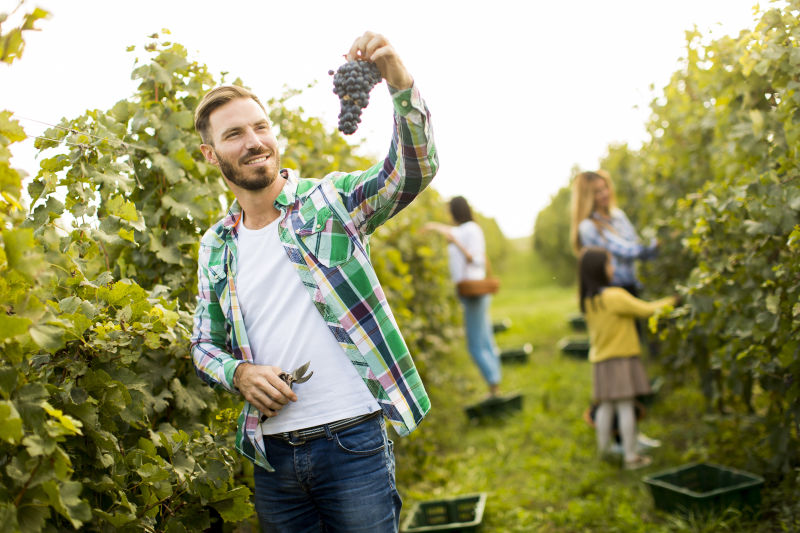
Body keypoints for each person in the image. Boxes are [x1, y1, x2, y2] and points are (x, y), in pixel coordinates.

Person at [189, 32, 438, 532]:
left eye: (260, 127)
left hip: (354, 442)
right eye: (234, 134)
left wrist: (400, 84)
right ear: (210, 155)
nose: (254, 141)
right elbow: (203, 344)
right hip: (272, 455)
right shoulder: (216, 245)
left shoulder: (330, 202)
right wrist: (239, 374)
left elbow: (411, 171)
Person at [578, 246, 677, 470]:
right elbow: (646, 310)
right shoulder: (614, 297)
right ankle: (631, 457)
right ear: (599, 270)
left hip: (601, 361)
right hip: (621, 359)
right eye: (609, 264)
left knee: (605, 407)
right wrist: (672, 300)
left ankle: (605, 451)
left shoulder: (588, 300)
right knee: (625, 407)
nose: (612, 268)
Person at [423, 196, 502, 398]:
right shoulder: (469, 230)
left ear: (456, 211)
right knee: (485, 339)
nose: (448, 215)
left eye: (449, 210)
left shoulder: (468, 230)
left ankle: (494, 386)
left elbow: (470, 255)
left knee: (476, 344)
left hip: (473, 290)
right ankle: (495, 386)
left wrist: (432, 226)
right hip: (474, 291)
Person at [570, 170, 657, 298]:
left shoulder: (618, 216)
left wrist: (657, 248)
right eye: (598, 192)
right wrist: (655, 243)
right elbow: (626, 250)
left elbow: (636, 243)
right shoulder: (588, 227)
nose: (605, 193)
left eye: (605, 187)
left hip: (631, 286)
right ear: (588, 197)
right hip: (610, 292)